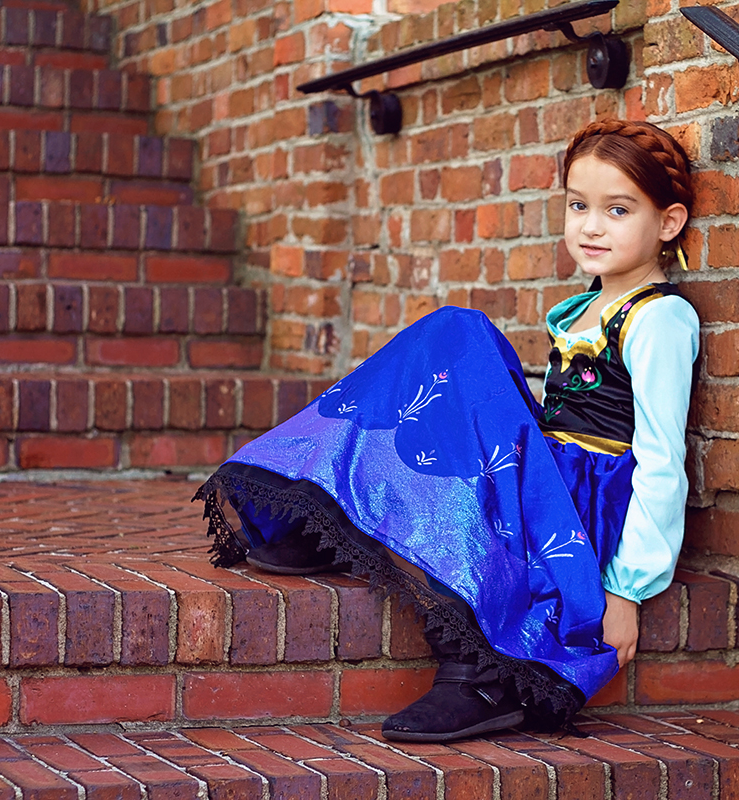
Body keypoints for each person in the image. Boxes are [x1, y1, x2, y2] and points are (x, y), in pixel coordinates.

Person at [195, 119, 700, 742]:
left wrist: (626, 590)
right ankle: (327, 511)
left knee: (459, 336)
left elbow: (661, 456)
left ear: (669, 223)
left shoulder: (660, 319)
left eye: (617, 210)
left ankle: (480, 677)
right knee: (456, 336)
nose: (590, 226)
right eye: (578, 205)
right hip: (553, 472)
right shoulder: (588, 303)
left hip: (586, 502)